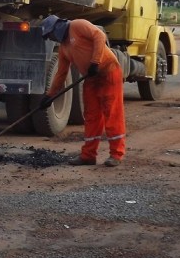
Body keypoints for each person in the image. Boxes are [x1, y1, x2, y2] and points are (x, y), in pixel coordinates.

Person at [41, 15, 126, 167]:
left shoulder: (77, 25)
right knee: (91, 115)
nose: (51, 38)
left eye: (51, 34)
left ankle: (116, 155)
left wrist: (95, 62)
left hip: (109, 72)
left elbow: (99, 36)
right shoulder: (64, 48)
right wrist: (49, 96)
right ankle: (88, 156)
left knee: (111, 113)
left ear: (57, 27)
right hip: (91, 78)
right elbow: (61, 73)